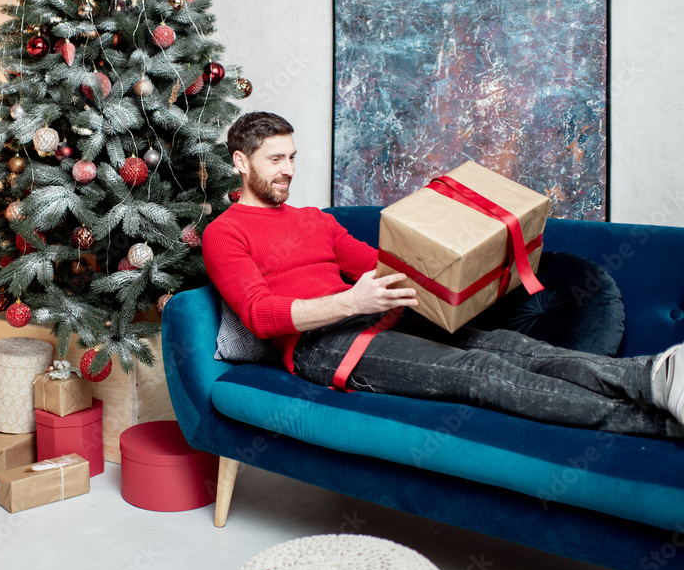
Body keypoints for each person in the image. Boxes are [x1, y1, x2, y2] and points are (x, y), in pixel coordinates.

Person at [202, 111, 684, 439]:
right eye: (275, 160)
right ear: (241, 163)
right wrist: (351, 302)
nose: (287, 170)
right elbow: (261, 316)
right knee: (481, 373)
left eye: (292, 158)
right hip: (323, 346)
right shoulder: (224, 234)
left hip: (385, 317)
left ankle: (659, 377)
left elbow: (380, 266)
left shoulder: (314, 219)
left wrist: (452, 248)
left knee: (518, 348)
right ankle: (660, 426)